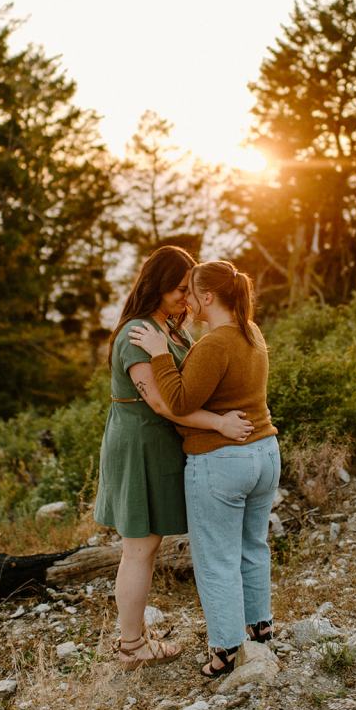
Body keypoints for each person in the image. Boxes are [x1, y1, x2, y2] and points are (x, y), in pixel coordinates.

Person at [93, 246, 254, 671]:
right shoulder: (137, 333)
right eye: (180, 289)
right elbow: (164, 404)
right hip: (141, 446)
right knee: (140, 547)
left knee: (149, 545)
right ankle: (131, 646)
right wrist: (219, 424)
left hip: (164, 444)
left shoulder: (170, 327)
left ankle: (137, 639)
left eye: (190, 289)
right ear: (157, 286)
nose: (187, 297)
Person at [129, 260, 280, 678]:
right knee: (253, 546)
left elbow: (178, 401)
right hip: (265, 452)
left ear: (208, 297)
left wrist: (160, 353)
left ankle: (226, 649)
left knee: (216, 558)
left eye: (192, 293)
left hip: (222, 461)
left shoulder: (215, 344)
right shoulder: (252, 333)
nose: (187, 301)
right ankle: (260, 627)